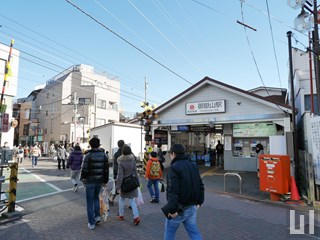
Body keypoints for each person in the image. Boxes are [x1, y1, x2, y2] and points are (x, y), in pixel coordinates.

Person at [161, 144, 204, 240]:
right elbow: (200, 184)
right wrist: (200, 201)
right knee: (194, 232)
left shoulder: (174, 168)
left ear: (173, 154)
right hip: (192, 207)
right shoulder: (193, 166)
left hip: (179, 209)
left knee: (169, 232)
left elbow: (172, 190)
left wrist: (172, 210)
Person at [80, 137, 109, 230]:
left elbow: (84, 169)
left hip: (90, 181)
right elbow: (106, 170)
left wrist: (83, 178)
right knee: (96, 198)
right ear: (99, 144)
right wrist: (105, 180)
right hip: (99, 181)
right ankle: (97, 217)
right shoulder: (104, 155)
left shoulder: (88, 155)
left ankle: (91, 223)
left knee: (89, 202)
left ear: (91, 145)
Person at [115, 144, 140, 226]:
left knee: (121, 199)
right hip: (132, 182)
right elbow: (136, 172)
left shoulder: (121, 161)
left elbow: (120, 176)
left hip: (124, 184)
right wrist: (138, 182)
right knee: (132, 200)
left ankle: (121, 215)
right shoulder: (132, 159)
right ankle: (136, 217)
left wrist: (118, 187)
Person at [109, 139, 125, 205]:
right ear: (123, 144)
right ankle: (132, 203)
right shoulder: (126, 152)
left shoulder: (116, 154)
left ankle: (111, 199)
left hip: (117, 173)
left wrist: (115, 174)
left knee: (116, 187)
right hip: (126, 173)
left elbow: (114, 165)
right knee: (128, 188)